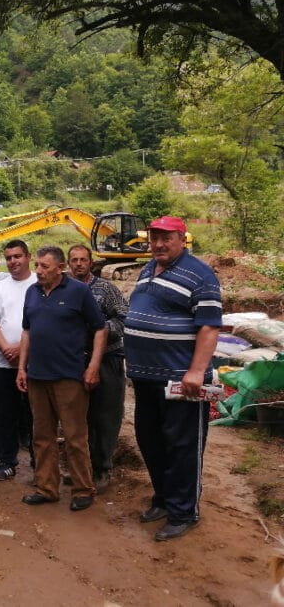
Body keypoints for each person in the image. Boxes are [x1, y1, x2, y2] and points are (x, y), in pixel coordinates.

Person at [124, 216, 221, 541]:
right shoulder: (149, 269)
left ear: (182, 238)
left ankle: (184, 511)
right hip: (146, 379)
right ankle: (164, 499)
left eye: (166, 238)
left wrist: (196, 371)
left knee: (182, 447)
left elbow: (209, 327)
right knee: (151, 441)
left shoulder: (200, 274)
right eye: (154, 238)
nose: (159, 244)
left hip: (183, 381)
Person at [17, 246, 106, 512]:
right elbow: (26, 332)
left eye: (45, 267)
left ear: (59, 268)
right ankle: (47, 488)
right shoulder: (32, 292)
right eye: (38, 266)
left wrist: (93, 367)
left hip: (69, 377)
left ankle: (83, 489)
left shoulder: (79, 291)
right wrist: (22, 368)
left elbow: (100, 329)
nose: (39, 271)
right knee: (41, 437)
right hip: (37, 376)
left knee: (74, 436)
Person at [68, 244, 129, 492]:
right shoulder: (66, 290)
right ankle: (83, 469)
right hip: (75, 361)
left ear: (91, 262)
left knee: (106, 416)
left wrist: (100, 331)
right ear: (68, 264)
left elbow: (125, 317)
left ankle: (103, 468)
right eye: (75, 260)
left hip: (107, 359)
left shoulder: (105, 289)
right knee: (79, 418)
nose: (79, 264)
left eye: (83, 260)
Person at [0, 239, 37, 480]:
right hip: (3, 363)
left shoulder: (39, 284)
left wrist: (21, 348)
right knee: (5, 415)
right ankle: (7, 461)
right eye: (9, 257)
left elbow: (43, 323)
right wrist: (6, 348)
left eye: (18, 256)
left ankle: (40, 464)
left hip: (36, 363)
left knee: (37, 416)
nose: (13, 261)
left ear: (28, 257)